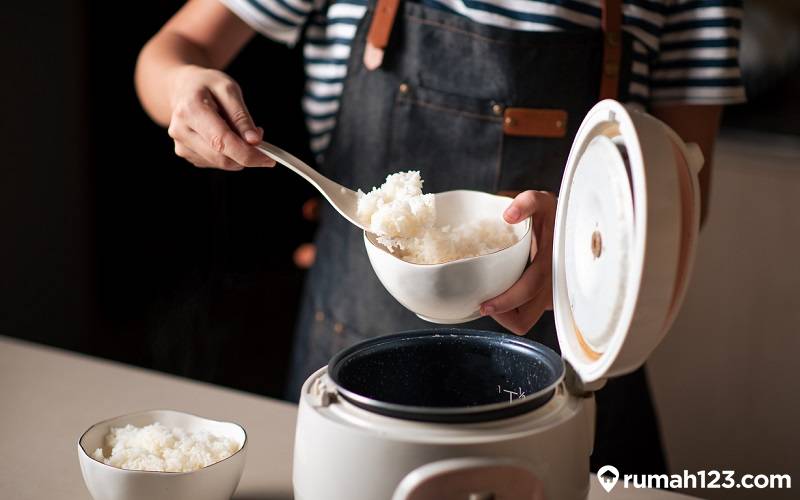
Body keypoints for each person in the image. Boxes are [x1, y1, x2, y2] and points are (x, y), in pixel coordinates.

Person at [135, 0, 745, 475]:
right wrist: (183, 88)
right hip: (354, 355)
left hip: (571, 359)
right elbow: (170, 51)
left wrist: (589, 236)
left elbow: (685, 195)